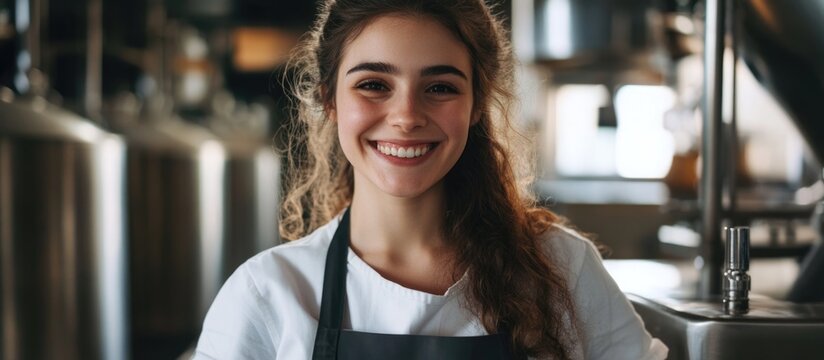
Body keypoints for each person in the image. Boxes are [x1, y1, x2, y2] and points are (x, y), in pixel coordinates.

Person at [194, 0, 668, 359]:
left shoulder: (562, 269)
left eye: (439, 87)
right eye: (374, 85)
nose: (405, 117)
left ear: (476, 105)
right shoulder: (269, 293)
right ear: (330, 101)